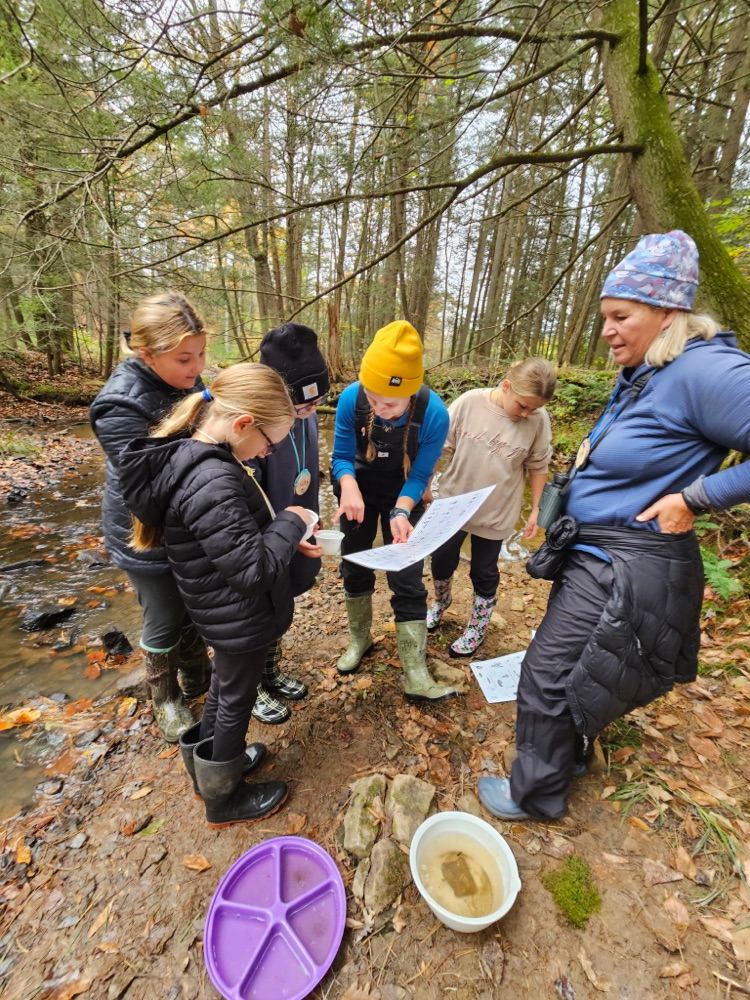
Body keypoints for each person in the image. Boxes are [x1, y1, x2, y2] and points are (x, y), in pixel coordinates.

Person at [476, 230, 750, 822]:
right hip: (597, 552)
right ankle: (564, 755)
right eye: (604, 316)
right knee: (575, 665)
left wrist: (698, 497)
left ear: (667, 310)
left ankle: (534, 794)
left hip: (625, 562)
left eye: (621, 316)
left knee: (546, 672)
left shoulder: (707, 372)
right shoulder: (653, 372)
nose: (607, 330)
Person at [119, 364, 317, 827]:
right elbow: (249, 570)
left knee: (226, 692)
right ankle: (223, 799)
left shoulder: (204, 460)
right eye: (270, 444)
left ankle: (207, 768)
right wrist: (292, 518)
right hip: (238, 616)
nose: (268, 453)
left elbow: (234, 541)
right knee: (233, 700)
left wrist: (283, 536)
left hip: (223, 610)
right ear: (244, 423)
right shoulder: (213, 478)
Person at [90, 292, 211, 743]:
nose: (197, 367)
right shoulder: (119, 405)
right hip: (143, 530)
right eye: (184, 357)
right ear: (146, 353)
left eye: (200, 354)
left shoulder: (185, 380)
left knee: (194, 604)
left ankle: (199, 676)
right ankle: (165, 697)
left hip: (188, 521)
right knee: (162, 612)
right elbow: (150, 485)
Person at [331, 320, 457, 702]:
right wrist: (348, 485)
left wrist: (401, 512)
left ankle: (415, 672)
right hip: (357, 489)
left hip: (404, 493)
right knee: (355, 563)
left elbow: (420, 475)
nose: (380, 409)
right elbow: (339, 457)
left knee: (406, 576)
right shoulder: (352, 398)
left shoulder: (434, 414)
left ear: (413, 390)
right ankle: (360, 640)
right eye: (373, 398)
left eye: (390, 403)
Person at [427, 357, 557, 656]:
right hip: (453, 501)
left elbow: (538, 466)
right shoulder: (469, 402)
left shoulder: (538, 420)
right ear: (506, 386)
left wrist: (536, 509)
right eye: (522, 405)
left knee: (483, 570)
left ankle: (477, 625)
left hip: (497, 509)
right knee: (441, 560)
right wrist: (425, 484)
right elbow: (440, 447)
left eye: (534, 409)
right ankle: (441, 602)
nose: (526, 413)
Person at [247, 323, 329, 725]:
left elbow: (308, 475)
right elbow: (245, 504)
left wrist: (309, 523)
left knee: (282, 605)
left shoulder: (308, 416)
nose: (310, 412)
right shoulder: (253, 429)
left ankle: (270, 670)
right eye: (301, 406)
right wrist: (281, 534)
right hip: (264, 539)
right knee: (258, 610)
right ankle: (252, 686)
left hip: (297, 529)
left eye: (318, 403)